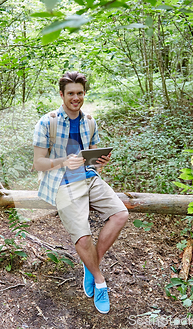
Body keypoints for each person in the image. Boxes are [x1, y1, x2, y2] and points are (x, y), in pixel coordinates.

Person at [32, 71, 129, 314]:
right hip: (61, 183)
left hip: (89, 178)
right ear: (62, 95)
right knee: (83, 237)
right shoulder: (48, 122)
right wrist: (64, 161)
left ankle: (89, 263)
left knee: (120, 214)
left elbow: (92, 156)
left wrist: (100, 161)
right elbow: (38, 163)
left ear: (84, 94)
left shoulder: (90, 121)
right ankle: (99, 279)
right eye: (71, 94)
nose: (76, 98)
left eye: (80, 93)